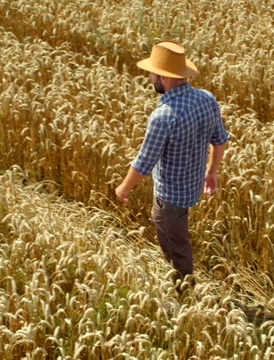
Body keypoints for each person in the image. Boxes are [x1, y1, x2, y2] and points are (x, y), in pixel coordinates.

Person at [115, 40, 230, 289]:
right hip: (192, 187)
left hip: (170, 197)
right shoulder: (206, 99)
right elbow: (219, 141)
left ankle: (184, 291)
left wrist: (123, 189)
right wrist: (212, 173)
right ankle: (182, 280)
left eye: (152, 72)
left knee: (176, 245)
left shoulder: (163, 116)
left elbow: (144, 163)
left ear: (162, 77)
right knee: (178, 234)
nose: (149, 76)